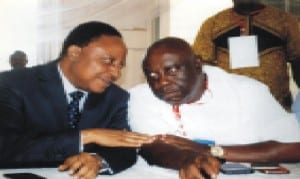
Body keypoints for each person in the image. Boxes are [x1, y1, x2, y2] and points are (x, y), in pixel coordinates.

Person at [128, 37, 300, 179]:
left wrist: (210, 151)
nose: (162, 82)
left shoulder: (247, 91)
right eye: (152, 75)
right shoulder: (141, 96)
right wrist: (188, 158)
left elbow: (294, 147)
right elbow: (151, 147)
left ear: (197, 64)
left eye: (172, 70)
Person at [0, 21, 154, 179]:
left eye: (120, 66)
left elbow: (125, 148)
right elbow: (5, 145)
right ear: (74, 53)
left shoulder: (116, 97)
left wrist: (98, 160)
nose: (116, 74)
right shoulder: (12, 84)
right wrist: (86, 136)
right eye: (108, 61)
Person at [192, 0, 300, 110]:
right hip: (230, 108)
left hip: (278, 108)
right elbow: (200, 68)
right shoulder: (213, 24)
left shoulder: (285, 21)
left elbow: (298, 62)